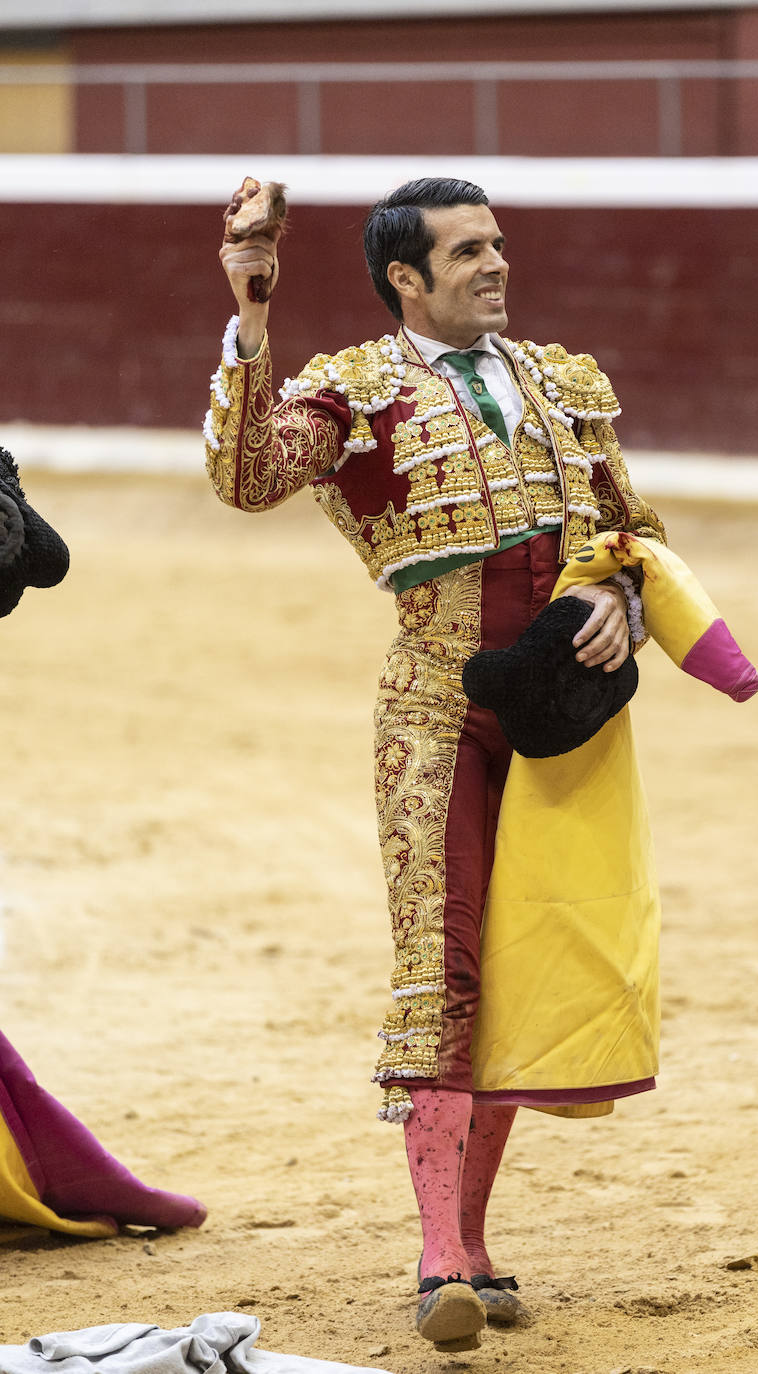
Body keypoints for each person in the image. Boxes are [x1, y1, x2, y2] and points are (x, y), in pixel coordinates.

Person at [205, 177, 666, 1351]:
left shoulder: (562, 383)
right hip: (437, 709)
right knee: (442, 966)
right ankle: (442, 1258)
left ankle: (473, 1239)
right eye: (467, 252)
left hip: (557, 712)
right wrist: (252, 317)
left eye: (496, 244)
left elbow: (633, 527)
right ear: (405, 278)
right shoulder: (356, 388)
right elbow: (248, 478)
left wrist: (618, 595)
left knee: (519, 965)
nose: (495, 263)